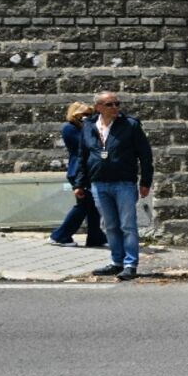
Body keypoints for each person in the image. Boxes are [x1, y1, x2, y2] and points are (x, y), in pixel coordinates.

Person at [75, 91, 154, 281]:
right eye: (110, 104)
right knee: (110, 225)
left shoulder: (130, 125)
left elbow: (145, 155)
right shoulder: (88, 126)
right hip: (99, 183)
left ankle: (130, 264)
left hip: (124, 182)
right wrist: (79, 183)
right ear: (98, 107)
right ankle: (116, 261)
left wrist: (145, 181)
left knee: (127, 225)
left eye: (117, 104)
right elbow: (82, 156)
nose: (115, 107)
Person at [48, 102, 108, 248]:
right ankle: (60, 236)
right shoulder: (70, 128)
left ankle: (95, 236)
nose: (87, 117)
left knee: (93, 206)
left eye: (90, 114)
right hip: (78, 171)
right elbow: (88, 145)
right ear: (75, 114)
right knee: (83, 205)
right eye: (84, 114)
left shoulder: (85, 128)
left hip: (89, 170)